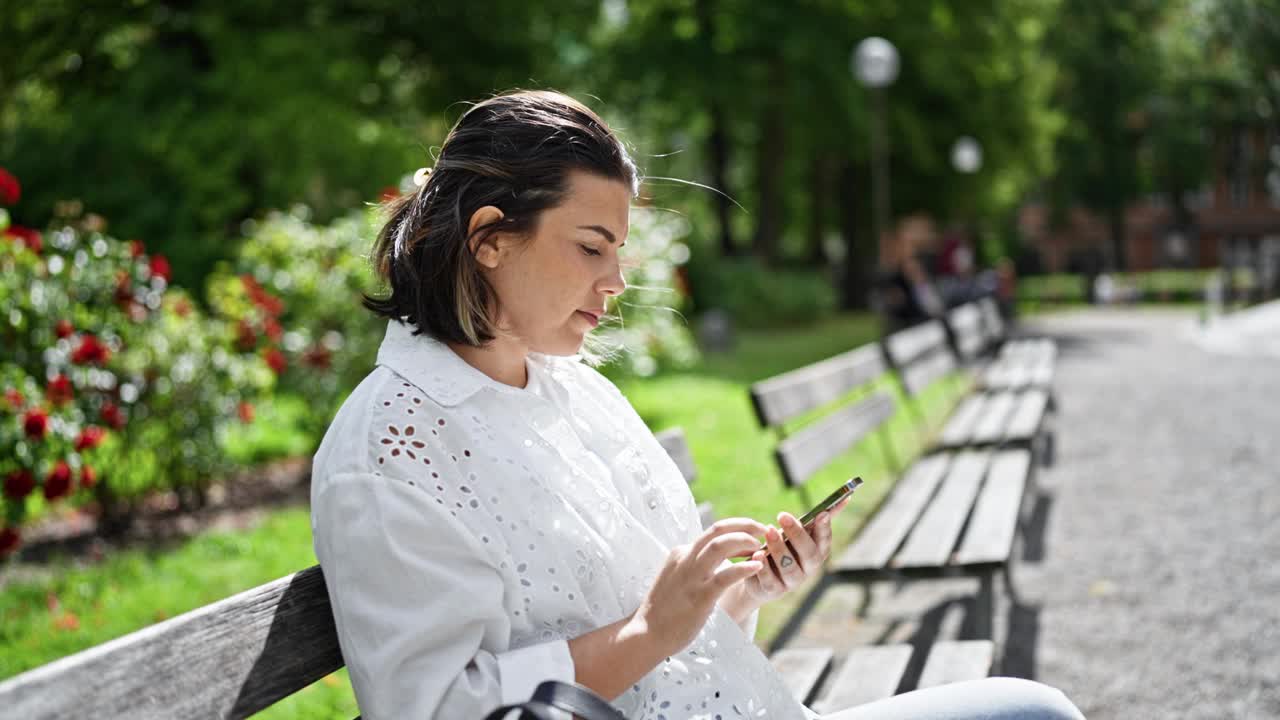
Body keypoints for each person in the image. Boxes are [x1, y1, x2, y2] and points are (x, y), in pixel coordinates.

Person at [310, 90, 1085, 720]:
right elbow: (436, 709)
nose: (616, 280)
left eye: (619, 248)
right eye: (591, 246)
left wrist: (740, 593)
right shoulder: (393, 447)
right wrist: (651, 630)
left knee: (1033, 711)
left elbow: (676, 645)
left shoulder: (572, 391)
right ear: (488, 239)